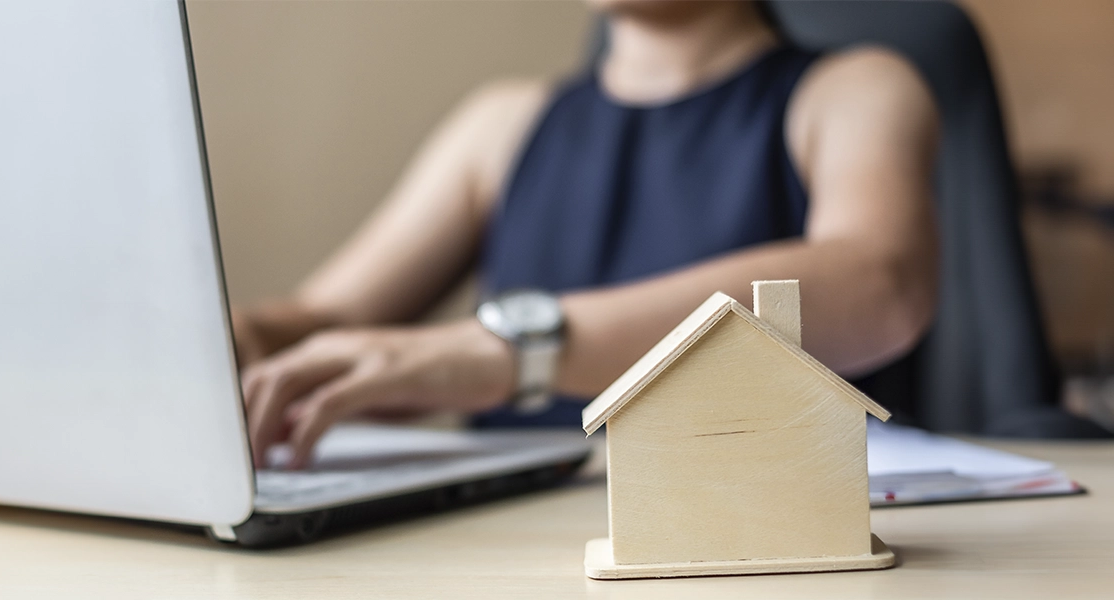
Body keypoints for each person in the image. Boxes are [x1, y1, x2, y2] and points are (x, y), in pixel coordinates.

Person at [233, 0, 940, 469]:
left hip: (742, 537)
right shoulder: (499, 124)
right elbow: (319, 321)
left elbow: (878, 281)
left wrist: (508, 351)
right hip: (507, 536)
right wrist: (225, 339)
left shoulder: (855, 88)